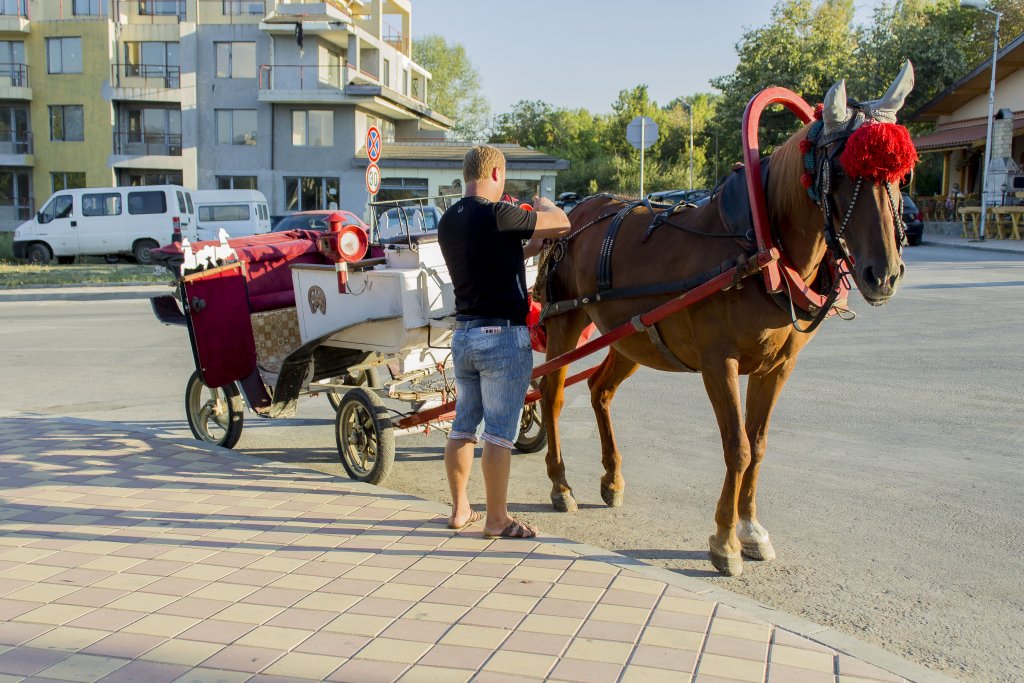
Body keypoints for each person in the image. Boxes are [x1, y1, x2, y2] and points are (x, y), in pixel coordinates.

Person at [437, 145, 571, 538]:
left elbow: (498, 257)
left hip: (465, 335)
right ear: (496, 174)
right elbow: (560, 223)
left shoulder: (449, 220)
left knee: (463, 426)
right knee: (498, 432)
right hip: (502, 338)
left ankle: (461, 509)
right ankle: (497, 519)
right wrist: (545, 205)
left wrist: (530, 248)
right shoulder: (497, 214)